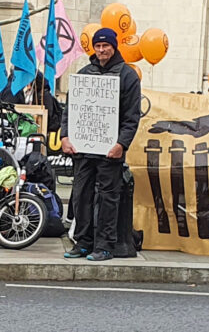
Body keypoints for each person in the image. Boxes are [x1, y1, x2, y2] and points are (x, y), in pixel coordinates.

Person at [61, 27, 141, 263]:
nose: (102, 49)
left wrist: (121, 144)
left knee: (108, 198)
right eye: (98, 46)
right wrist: (65, 136)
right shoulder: (85, 73)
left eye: (106, 45)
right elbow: (70, 110)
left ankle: (105, 246)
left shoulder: (128, 76)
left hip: (110, 151)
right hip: (84, 149)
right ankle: (83, 242)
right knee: (81, 196)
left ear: (114, 47)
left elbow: (132, 116)